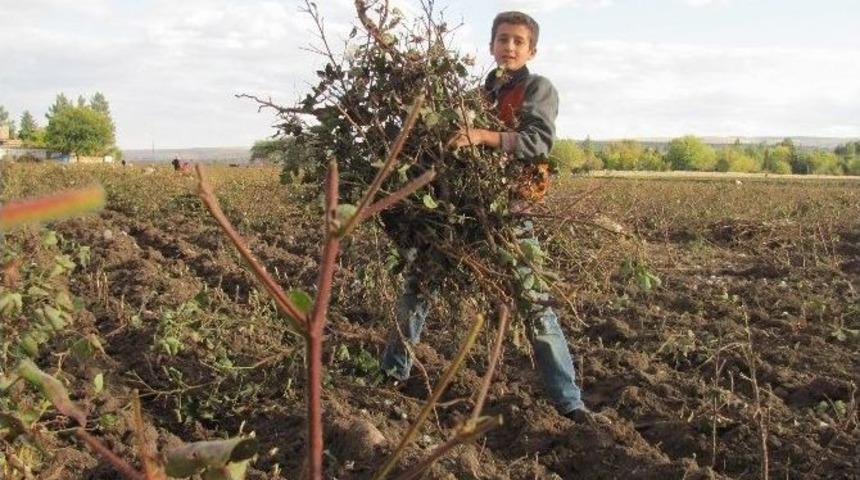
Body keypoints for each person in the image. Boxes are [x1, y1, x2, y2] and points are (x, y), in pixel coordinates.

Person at [381, 11, 606, 424]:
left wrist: (482, 136)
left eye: (519, 42)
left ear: (531, 50)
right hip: (465, 211)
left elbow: (538, 142)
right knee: (418, 286)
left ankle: (569, 402)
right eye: (503, 39)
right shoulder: (478, 94)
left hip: (510, 214)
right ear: (491, 46)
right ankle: (391, 374)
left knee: (535, 306)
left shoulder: (538, 88)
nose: (510, 47)